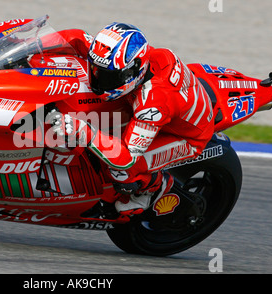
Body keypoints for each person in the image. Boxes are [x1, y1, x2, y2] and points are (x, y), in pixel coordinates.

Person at [49, 22, 215, 216]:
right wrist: (34, 44)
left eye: (108, 77)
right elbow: (76, 38)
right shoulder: (119, 59)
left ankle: (152, 188)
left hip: (185, 136)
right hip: (172, 103)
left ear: (132, 72)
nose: (98, 80)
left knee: (121, 170)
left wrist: (83, 131)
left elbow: (125, 157)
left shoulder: (152, 105)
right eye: (96, 70)